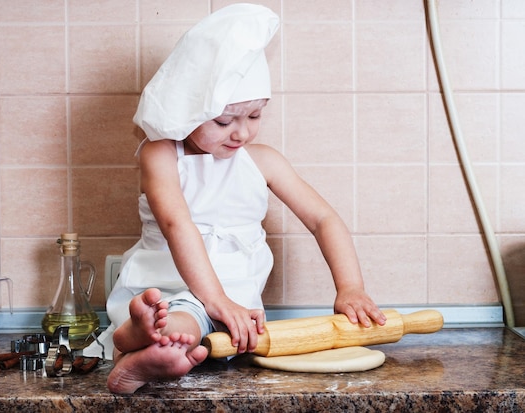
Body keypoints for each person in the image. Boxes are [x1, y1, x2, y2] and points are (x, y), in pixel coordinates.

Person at [93, 3, 386, 394]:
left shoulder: (263, 162)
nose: (241, 133)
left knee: (188, 326)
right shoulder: (160, 154)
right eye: (223, 120)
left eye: (254, 115)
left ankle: (140, 344)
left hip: (230, 299)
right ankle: (141, 337)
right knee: (187, 315)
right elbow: (177, 223)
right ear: (188, 109)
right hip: (166, 286)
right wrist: (214, 298)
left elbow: (322, 219)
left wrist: (350, 286)